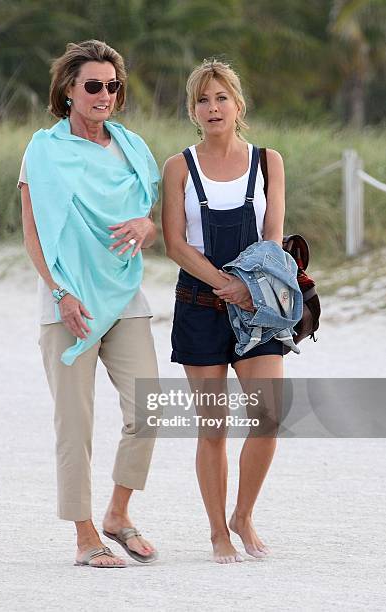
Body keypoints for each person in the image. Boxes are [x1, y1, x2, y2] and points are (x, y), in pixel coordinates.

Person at [18, 40, 159, 568]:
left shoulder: (131, 147)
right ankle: (84, 537)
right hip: (67, 301)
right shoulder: (43, 149)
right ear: (69, 91)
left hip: (125, 295)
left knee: (148, 407)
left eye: (112, 86)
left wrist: (148, 226)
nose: (105, 95)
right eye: (93, 85)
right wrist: (60, 293)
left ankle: (118, 514)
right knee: (74, 425)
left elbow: (151, 216)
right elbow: (33, 233)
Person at [162, 59, 286, 564]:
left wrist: (249, 288)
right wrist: (224, 286)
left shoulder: (269, 161)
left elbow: (274, 234)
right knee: (212, 427)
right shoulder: (178, 167)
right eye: (202, 100)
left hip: (259, 308)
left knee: (268, 418)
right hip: (199, 307)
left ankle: (244, 515)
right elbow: (174, 243)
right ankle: (218, 531)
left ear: (238, 104)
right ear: (193, 110)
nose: (213, 108)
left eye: (221, 98)